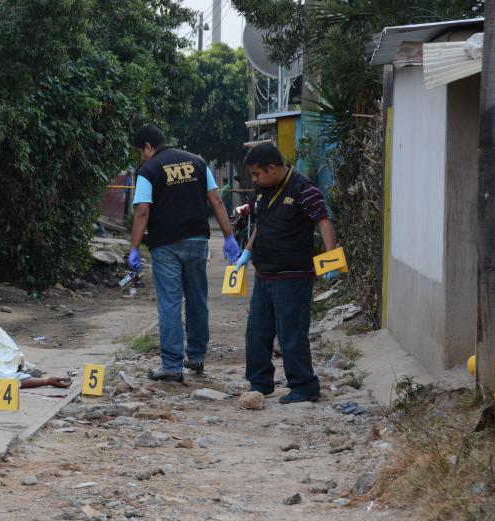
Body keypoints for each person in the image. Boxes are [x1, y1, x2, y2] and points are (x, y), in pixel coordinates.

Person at [129, 124, 240, 382]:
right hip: (198, 240)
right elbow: (216, 200)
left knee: (169, 303)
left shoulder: (148, 170)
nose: (141, 157)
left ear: (148, 146)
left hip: (166, 244)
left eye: (140, 152)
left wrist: (134, 248)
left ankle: (171, 366)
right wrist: (229, 236)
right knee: (197, 298)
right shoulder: (198, 163)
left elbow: (143, 210)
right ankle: (197, 356)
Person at [234, 142, 338, 403]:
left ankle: (304, 386)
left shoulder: (304, 189)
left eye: (257, 173)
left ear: (272, 168)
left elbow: (323, 222)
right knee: (257, 332)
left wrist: (331, 260)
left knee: (291, 333)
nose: (255, 179)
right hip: (264, 273)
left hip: (294, 274)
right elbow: (261, 223)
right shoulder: (263, 191)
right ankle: (259, 383)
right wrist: (247, 252)